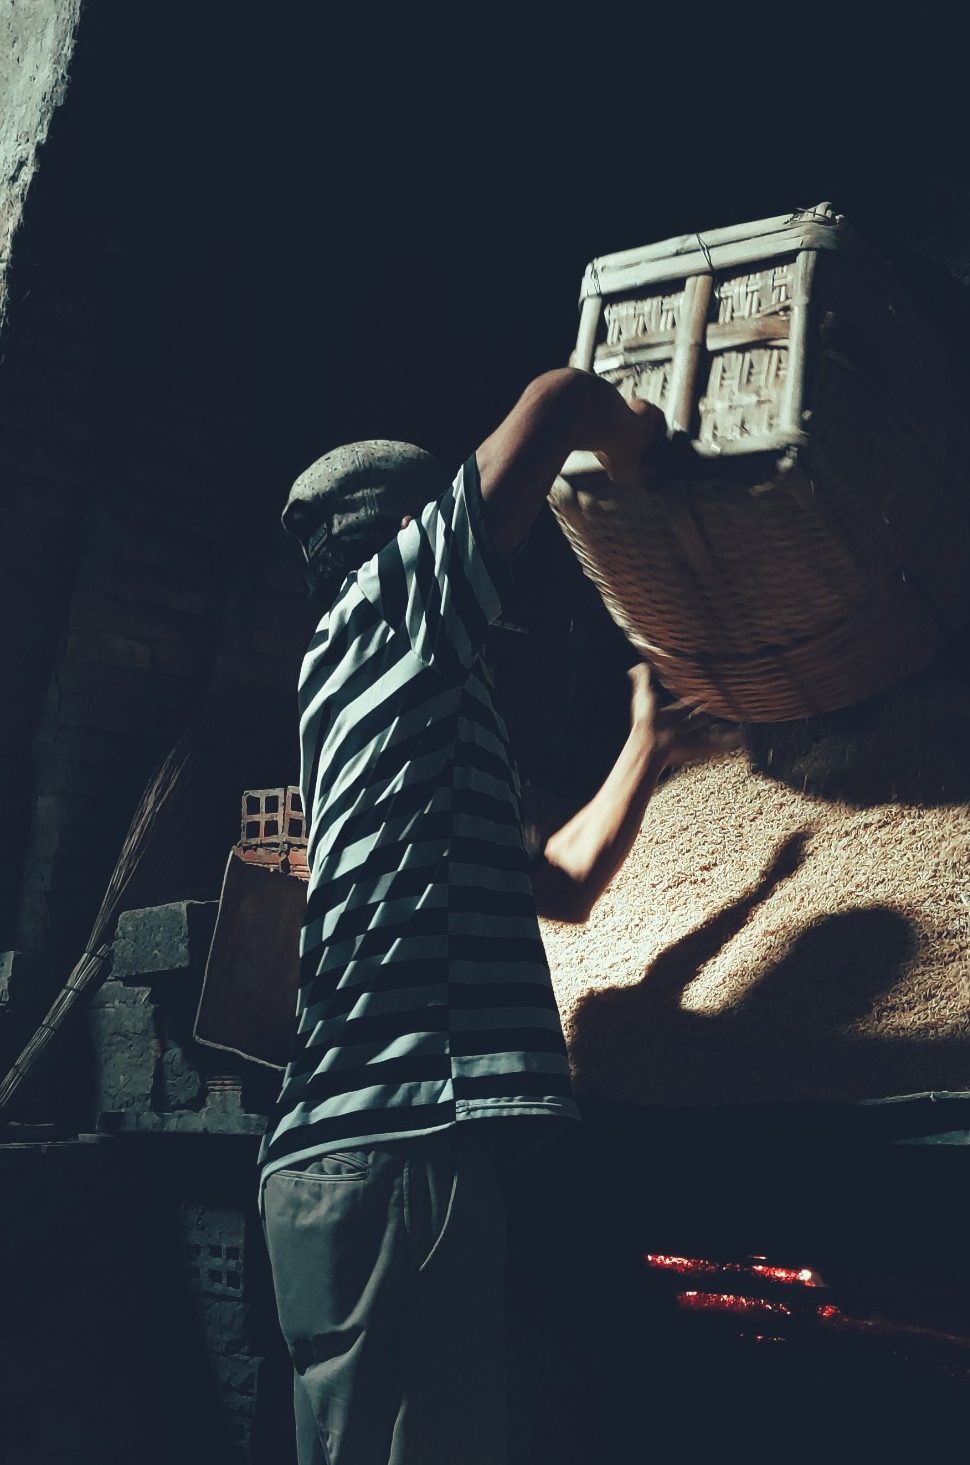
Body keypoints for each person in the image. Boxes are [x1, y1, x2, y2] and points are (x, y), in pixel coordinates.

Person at [262, 367, 734, 1465]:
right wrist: (645, 455)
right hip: (395, 1150)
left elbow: (562, 886)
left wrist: (647, 744)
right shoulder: (389, 617)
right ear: (409, 538)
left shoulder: (410, 709)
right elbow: (560, 400)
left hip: (367, 1164)